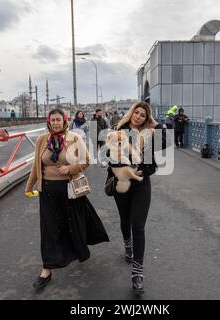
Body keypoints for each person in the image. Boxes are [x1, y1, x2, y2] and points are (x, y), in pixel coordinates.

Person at [25, 108, 109, 290]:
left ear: (64, 121)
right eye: (52, 120)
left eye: (58, 119)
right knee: (48, 228)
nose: (55, 123)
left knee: (73, 224)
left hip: (70, 190)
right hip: (47, 191)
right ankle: (46, 269)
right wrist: (29, 186)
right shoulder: (41, 140)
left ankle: (77, 251)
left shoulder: (74, 138)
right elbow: (35, 165)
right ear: (48, 121)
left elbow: (86, 160)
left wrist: (70, 169)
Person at [105, 101, 167, 295]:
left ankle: (137, 273)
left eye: (143, 115)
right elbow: (108, 154)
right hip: (122, 183)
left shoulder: (150, 134)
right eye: (136, 112)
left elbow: (168, 142)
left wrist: (156, 124)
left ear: (146, 118)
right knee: (125, 220)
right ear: (131, 113)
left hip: (141, 184)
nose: (138, 116)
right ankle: (128, 245)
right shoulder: (118, 130)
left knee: (138, 226)